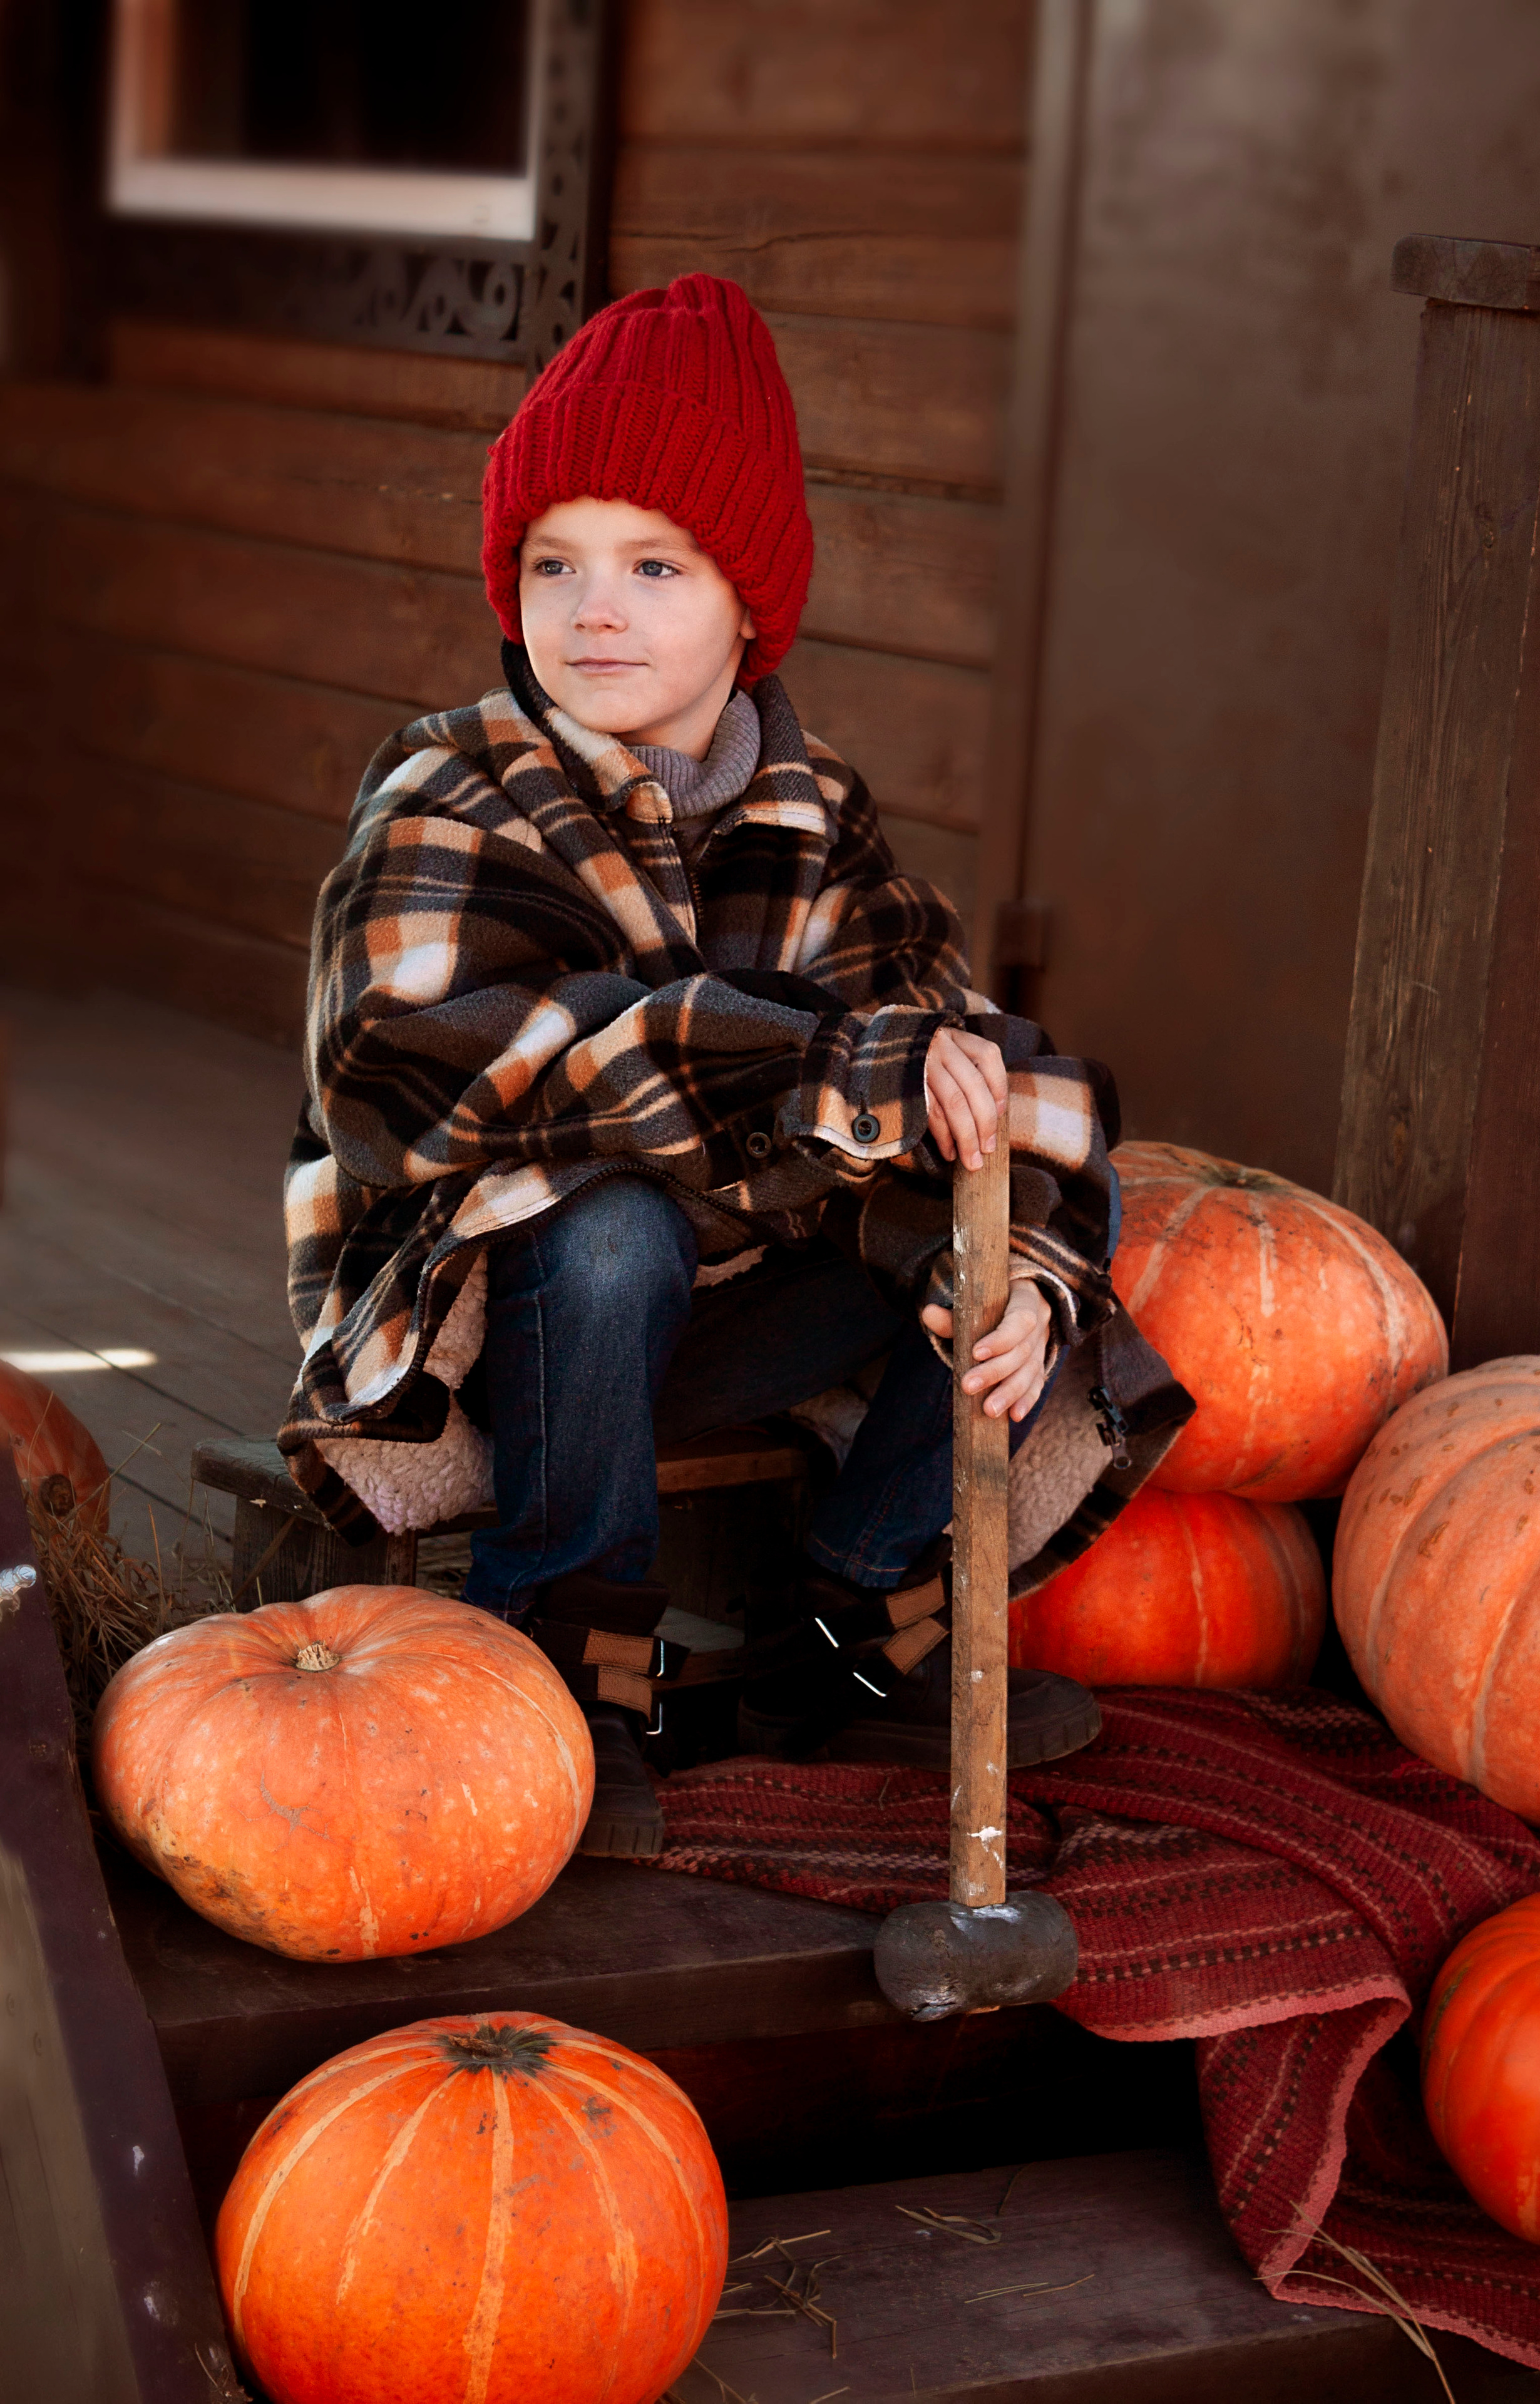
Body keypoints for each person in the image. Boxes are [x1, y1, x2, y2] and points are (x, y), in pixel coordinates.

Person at [279, 275, 1188, 1856]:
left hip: (729, 1309)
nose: (594, 610)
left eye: (653, 565)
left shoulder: (811, 806)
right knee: (610, 1222)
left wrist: (1015, 1251)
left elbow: (953, 1042)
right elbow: (394, 1069)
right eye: (553, 563)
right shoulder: (452, 789)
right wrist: (793, 1059)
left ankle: (846, 1616)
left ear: (747, 603)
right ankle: (565, 1656)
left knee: (1016, 1179)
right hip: (497, 1327)